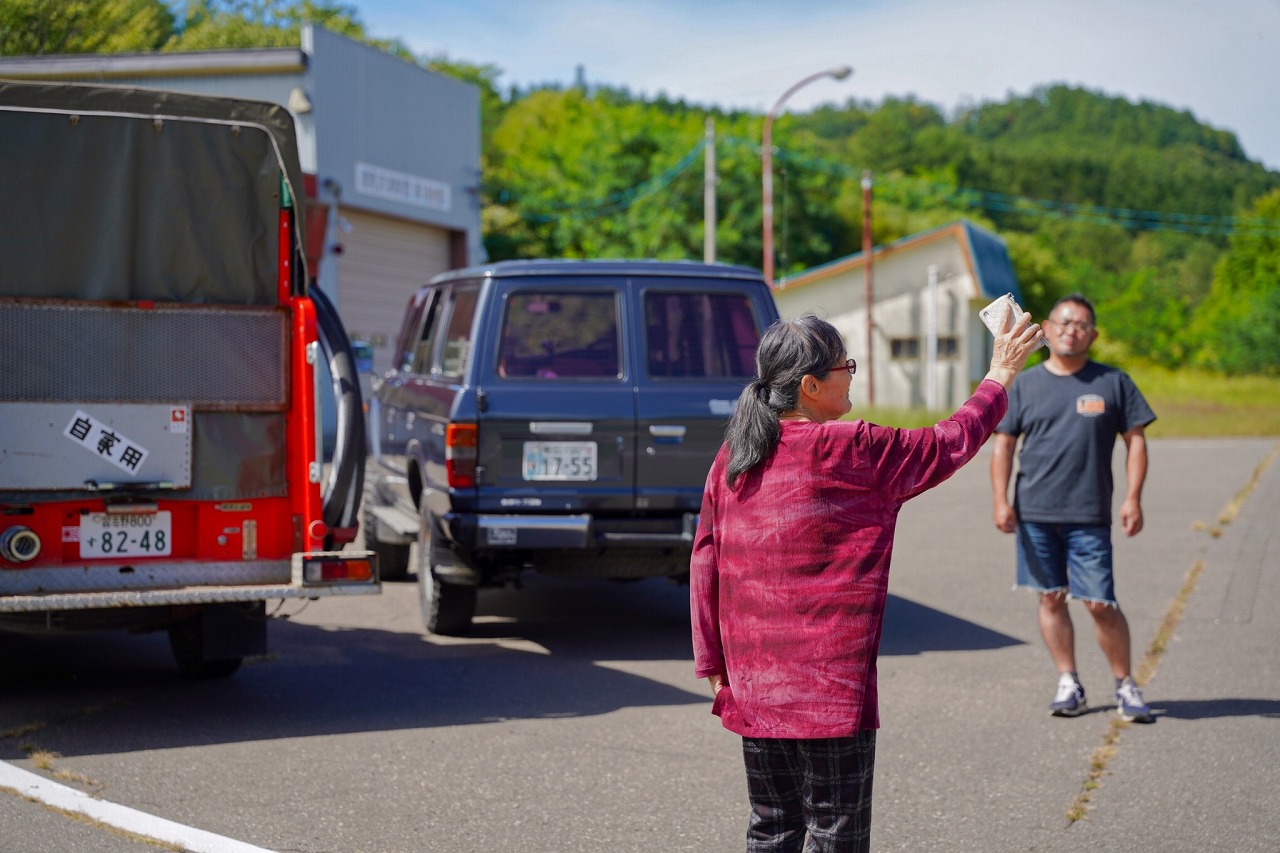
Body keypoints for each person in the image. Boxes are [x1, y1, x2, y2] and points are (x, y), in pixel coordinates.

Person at [690, 311, 1043, 852]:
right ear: (810, 385)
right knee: (837, 835)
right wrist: (1000, 373)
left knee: (772, 828)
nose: (852, 374)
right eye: (845, 366)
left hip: (754, 683)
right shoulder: (852, 447)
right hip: (829, 689)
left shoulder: (736, 454)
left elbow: (704, 560)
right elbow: (951, 440)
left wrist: (713, 664)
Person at [989, 293, 1156, 723]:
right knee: (1050, 598)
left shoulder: (1113, 382)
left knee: (1100, 602)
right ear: (1046, 328)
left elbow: (1135, 441)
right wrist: (1000, 500)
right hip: (1036, 515)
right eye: (1063, 323)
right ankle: (1069, 682)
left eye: (1081, 325)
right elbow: (1003, 445)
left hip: (1089, 516)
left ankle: (1125, 684)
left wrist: (1133, 497)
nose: (1071, 330)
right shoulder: (1025, 383)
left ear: (1093, 335)